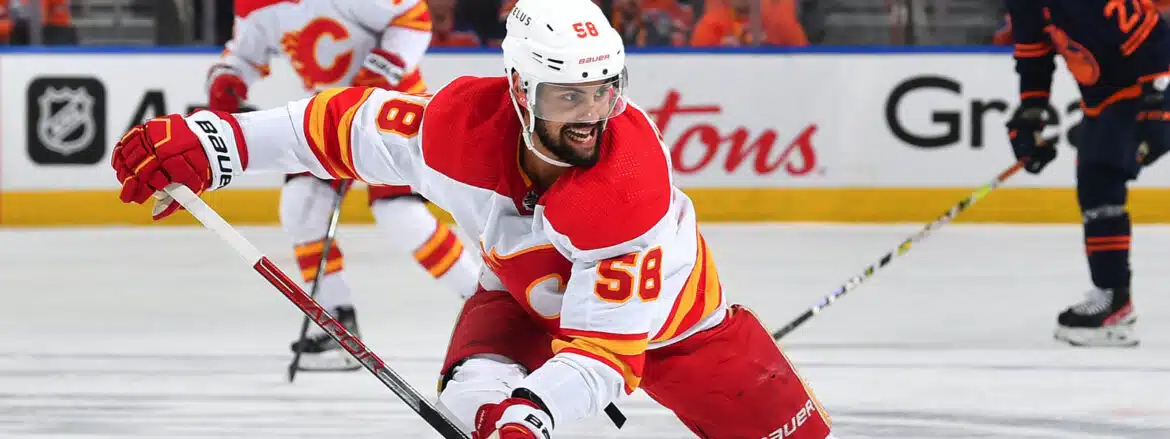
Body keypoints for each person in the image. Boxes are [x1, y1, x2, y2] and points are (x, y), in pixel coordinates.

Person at [111, 0, 837, 437]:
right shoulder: (461, 127)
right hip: (516, 296)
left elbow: (607, 355)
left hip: (676, 327)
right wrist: (221, 143)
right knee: (468, 409)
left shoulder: (626, 188)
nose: (591, 117)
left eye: (604, 92)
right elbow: (340, 127)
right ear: (520, 90)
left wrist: (531, 416)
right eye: (566, 97)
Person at [205, 0, 481, 370]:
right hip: (328, 117)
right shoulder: (254, 6)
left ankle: (487, 305)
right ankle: (337, 321)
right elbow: (243, 54)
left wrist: (382, 69)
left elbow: (412, 15)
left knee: (401, 216)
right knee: (301, 207)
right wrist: (228, 78)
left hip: (392, 108)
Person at [1005, 0, 1169, 347]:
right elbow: (1033, 51)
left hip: (1147, 87)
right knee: (1097, 179)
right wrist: (1031, 111)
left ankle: (1114, 301)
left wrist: (1158, 106)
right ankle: (1112, 299)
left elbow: (1156, 37)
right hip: (1107, 97)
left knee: (1101, 174)